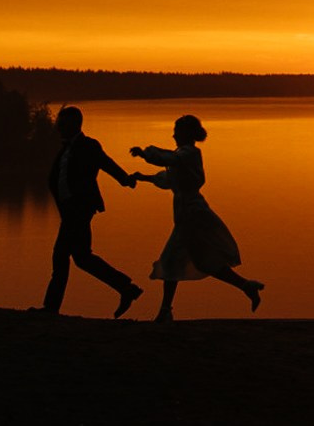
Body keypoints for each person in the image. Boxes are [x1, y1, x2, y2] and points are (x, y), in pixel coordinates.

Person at [132, 114, 263, 320]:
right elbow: (170, 178)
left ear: (185, 133)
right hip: (187, 213)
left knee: (171, 260)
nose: (173, 135)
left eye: (176, 131)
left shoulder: (190, 154)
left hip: (192, 214)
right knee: (203, 261)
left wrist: (144, 153)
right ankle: (246, 286)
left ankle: (165, 311)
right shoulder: (182, 155)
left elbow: (169, 159)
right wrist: (144, 177)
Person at [39, 105, 145, 317]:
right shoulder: (65, 149)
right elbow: (58, 179)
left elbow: (106, 163)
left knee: (61, 256)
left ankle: (50, 308)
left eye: (63, 123)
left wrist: (125, 179)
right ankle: (126, 288)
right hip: (69, 210)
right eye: (60, 123)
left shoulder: (89, 145)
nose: (59, 127)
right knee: (82, 258)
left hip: (80, 209)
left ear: (74, 124)